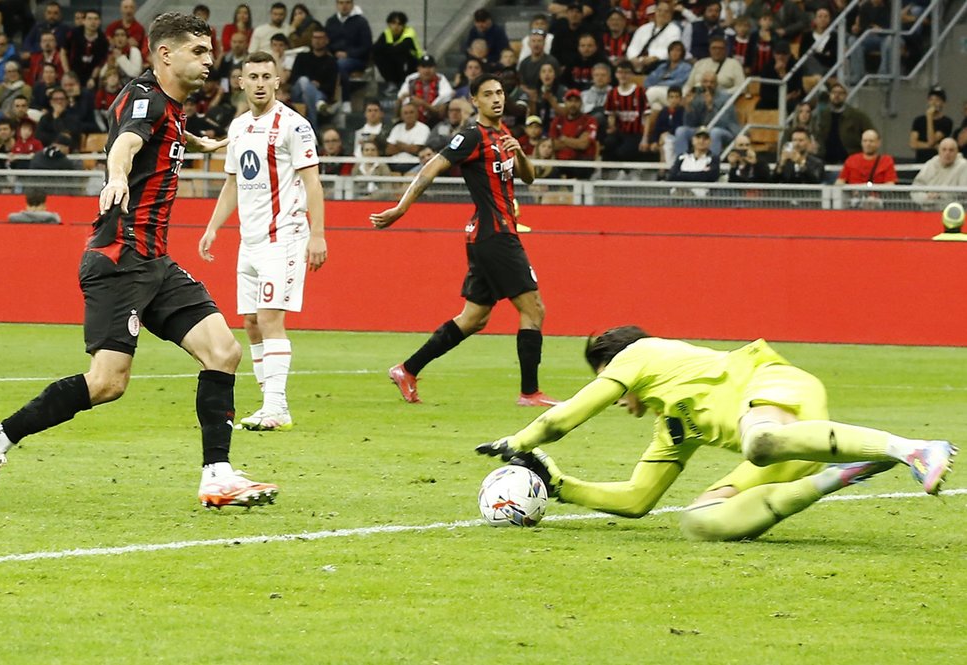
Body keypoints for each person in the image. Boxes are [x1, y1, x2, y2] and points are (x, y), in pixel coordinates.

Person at [0, 13, 277, 510]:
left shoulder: (169, 105)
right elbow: (128, 142)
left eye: (210, 51)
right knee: (108, 383)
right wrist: (115, 175)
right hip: (120, 257)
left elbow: (158, 134)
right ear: (165, 54)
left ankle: (217, 476)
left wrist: (199, 141)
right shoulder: (145, 99)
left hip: (154, 261)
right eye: (199, 51)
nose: (210, 61)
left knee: (223, 351)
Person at [476, 326, 957, 542]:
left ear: (617, 363)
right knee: (701, 520)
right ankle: (849, 470)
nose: (617, 398)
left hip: (776, 386)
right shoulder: (672, 426)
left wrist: (520, 441)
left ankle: (914, 448)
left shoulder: (642, 353)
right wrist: (561, 486)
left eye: (606, 379)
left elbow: (565, 417)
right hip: (794, 447)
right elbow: (638, 500)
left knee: (758, 442)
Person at [371, 74, 558, 407]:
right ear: (475, 100)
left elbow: (528, 177)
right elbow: (432, 167)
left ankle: (407, 370)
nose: (496, 99)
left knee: (474, 318)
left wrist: (520, 154)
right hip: (494, 235)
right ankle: (530, 393)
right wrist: (402, 207)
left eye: (499, 93)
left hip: (490, 234)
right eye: (488, 94)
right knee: (534, 309)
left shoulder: (504, 135)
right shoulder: (472, 136)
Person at [198, 52, 327, 432]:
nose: (259, 83)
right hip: (250, 240)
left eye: (265, 76)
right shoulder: (239, 127)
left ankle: (276, 407)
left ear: (277, 81)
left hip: (283, 236)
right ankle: (269, 403)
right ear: (240, 82)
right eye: (252, 76)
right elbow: (233, 183)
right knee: (252, 322)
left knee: (270, 318)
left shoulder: (294, 125)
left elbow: (312, 182)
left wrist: (318, 234)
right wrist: (212, 227)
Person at [816, 82, 874, 165]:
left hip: (851, 159)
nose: (837, 95)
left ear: (846, 95)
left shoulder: (857, 115)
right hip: (826, 159)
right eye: (834, 92)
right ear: (829, 95)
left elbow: (872, 133)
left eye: (840, 93)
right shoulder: (823, 115)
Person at [372, 11, 422, 96]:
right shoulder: (386, 33)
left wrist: (387, 47)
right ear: (389, 24)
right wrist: (392, 46)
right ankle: (392, 83)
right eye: (393, 23)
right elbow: (375, 48)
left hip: (414, 64)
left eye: (399, 24)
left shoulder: (409, 32)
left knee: (400, 53)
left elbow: (402, 48)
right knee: (378, 56)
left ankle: (405, 84)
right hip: (396, 65)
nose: (396, 26)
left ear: (403, 25)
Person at [910, 138, 967, 207]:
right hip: (929, 209)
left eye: (951, 150)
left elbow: (964, 193)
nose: (947, 153)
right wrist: (926, 197)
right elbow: (916, 188)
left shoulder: (963, 165)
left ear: (957, 152)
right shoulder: (931, 163)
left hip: (953, 209)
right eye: (944, 150)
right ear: (939, 151)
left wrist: (940, 195)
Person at [909, 85, 953, 164]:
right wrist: (933, 146)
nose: (934, 103)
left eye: (937, 100)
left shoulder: (946, 122)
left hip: (937, 163)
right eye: (931, 99)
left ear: (943, 103)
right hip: (920, 162)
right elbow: (913, 144)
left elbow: (931, 141)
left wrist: (929, 117)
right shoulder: (919, 120)